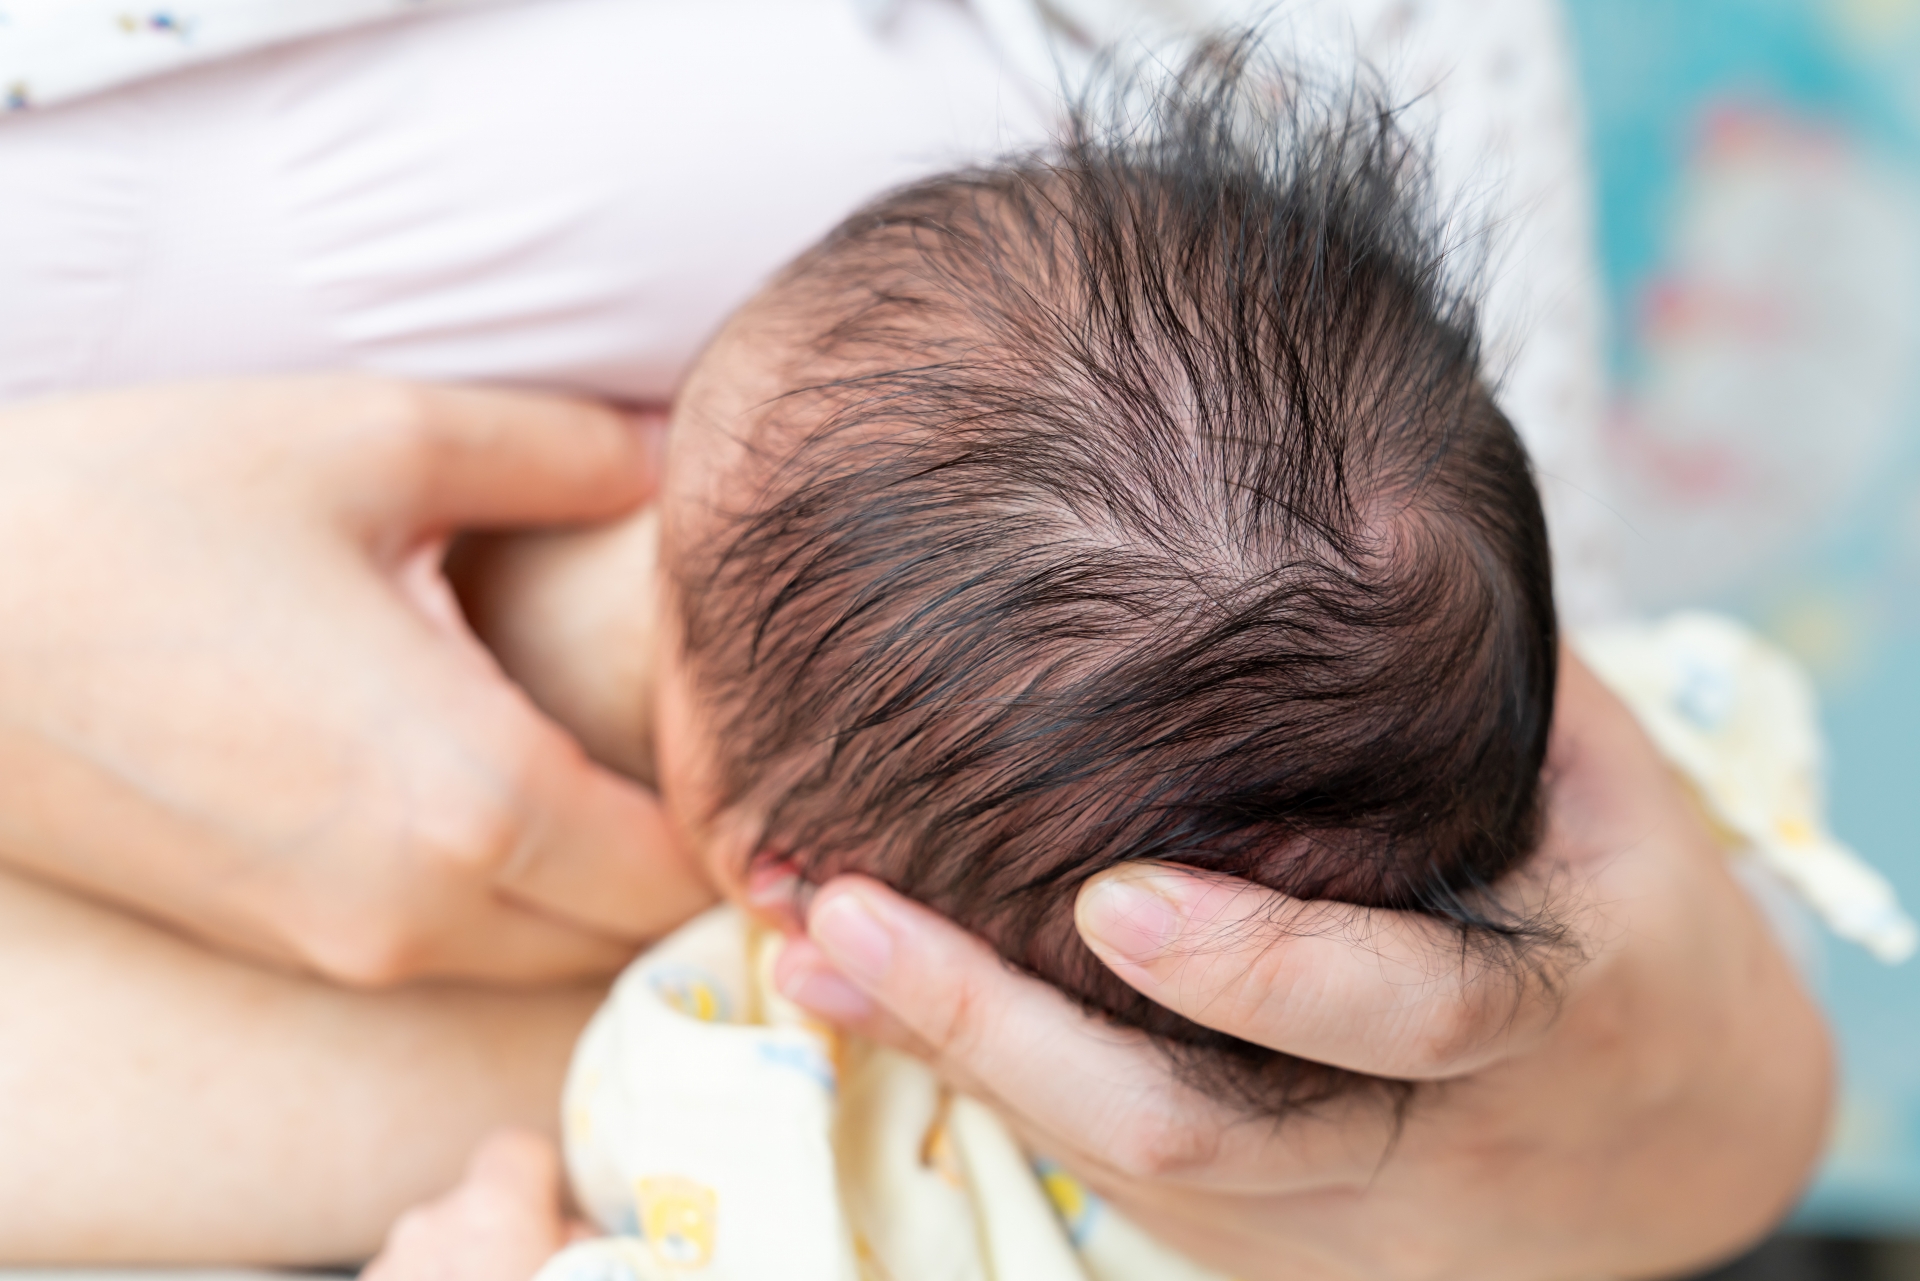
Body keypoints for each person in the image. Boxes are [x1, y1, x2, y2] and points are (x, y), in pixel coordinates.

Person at [0, 0, 1832, 1273]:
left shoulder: (765, 1167)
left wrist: (1701, 1101)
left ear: (783, 892)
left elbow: (1655, 1074)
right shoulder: (1551, 713)